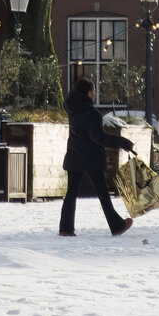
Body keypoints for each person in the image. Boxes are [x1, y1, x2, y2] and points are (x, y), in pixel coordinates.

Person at [59, 76, 135, 237]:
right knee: (103, 194)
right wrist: (122, 142)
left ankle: (65, 228)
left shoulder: (73, 110)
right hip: (91, 158)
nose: (95, 94)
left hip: (74, 155)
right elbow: (98, 138)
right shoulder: (91, 113)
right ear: (88, 93)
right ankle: (117, 225)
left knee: (71, 193)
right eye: (94, 91)